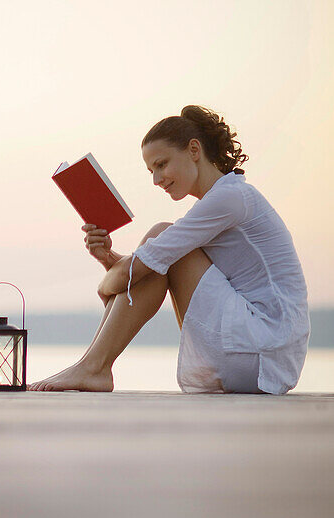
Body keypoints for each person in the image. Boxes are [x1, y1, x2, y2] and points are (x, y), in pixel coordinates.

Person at [28, 105, 310, 395]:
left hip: (262, 350)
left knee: (161, 236)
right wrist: (110, 260)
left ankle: (94, 367)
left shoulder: (230, 198)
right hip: (263, 357)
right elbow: (142, 268)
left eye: (162, 164)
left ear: (194, 150)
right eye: (151, 171)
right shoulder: (222, 200)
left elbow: (140, 268)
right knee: (159, 250)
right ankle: (92, 365)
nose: (156, 179)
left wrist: (107, 283)